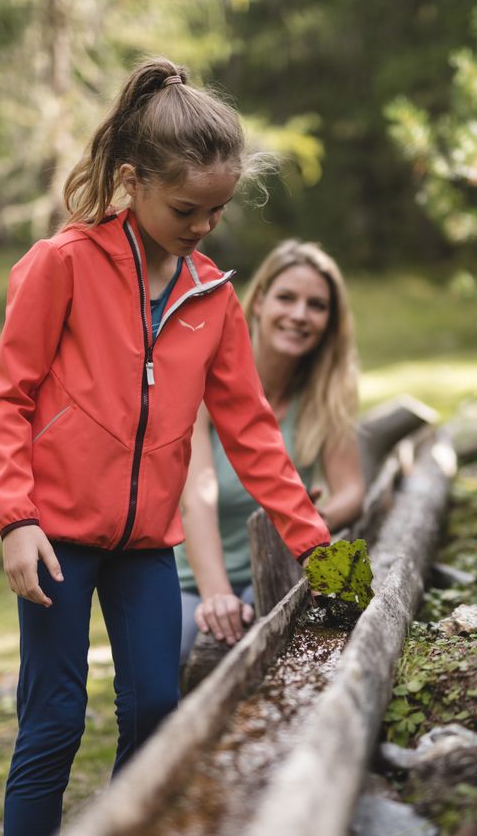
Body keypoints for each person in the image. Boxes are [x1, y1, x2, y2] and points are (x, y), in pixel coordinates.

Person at [0, 58, 330, 836]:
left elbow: (254, 434)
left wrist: (312, 540)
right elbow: (6, 398)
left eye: (217, 210)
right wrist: (17, 518)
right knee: (54, 721)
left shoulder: (212, 297)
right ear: (131, 181)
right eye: (186, 208)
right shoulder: (61, 265)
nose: (203, 225)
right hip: (55, 539)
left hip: (145, 547)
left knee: (156, 709)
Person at [176, 239, 365, 661]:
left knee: (314, 637)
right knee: (192, 648)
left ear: (330, 320)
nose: (300, 315)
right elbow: (196, 498)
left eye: (316, 305)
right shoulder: (205, 384)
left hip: (279, 570)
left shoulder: (325, 396)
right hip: (194, 578)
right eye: (286, 298)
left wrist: (314, 517)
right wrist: (217, 595)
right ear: (258, 302)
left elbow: (351, 489)